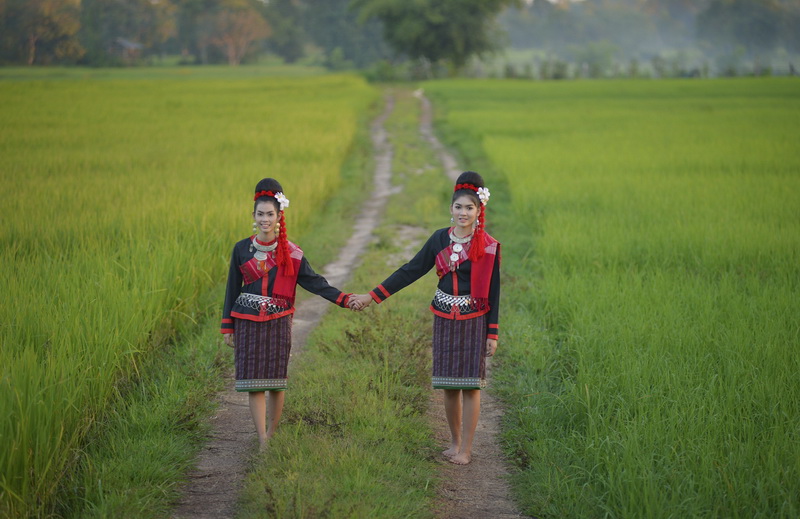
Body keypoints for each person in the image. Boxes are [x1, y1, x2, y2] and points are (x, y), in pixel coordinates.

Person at [351, 171, 501, 465]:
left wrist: (492, 333)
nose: (463, 212)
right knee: (448, 384)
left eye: (470, 207)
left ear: (479, 210)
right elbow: (410, 270)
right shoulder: (438, 240)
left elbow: (494, 291)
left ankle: (466, 450)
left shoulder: (488, 245)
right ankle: (454, 442)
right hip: (444, 316)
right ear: (451, 208)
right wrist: (374, 295)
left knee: (470, 385)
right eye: (458, 207)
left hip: (474, 319)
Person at [221, 178, 362, 447]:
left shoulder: (292, 254)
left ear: (279, 216)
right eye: (260, 214)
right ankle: (261, 438)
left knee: (275, 381)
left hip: (278, 321)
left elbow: (316, 283)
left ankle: (272, 435)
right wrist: (228, 326)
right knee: (254, 381)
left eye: (270, 214)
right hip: (247, 322)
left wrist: (345, 299)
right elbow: (231, 289)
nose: (265, 219)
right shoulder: (241, 249)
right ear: (253, 215)